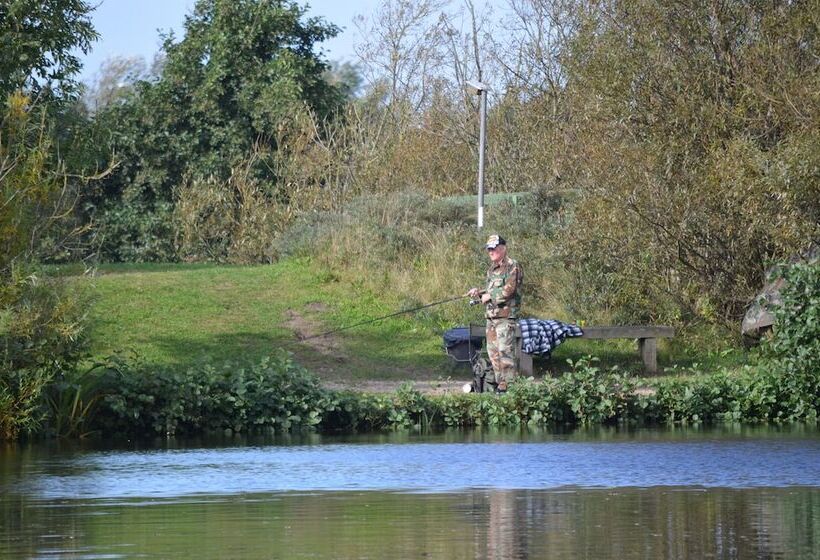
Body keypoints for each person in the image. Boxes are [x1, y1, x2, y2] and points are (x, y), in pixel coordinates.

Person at [467, 234, 523, 392]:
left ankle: (510, 388)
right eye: (489, 249)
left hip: (505, 318)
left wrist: (489, 296)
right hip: (491, 318)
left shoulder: (513, 266)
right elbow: (492, 290)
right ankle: (500, 386)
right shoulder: (491, 270)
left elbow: (509, 290)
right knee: (494, 355)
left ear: (503, 248)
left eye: (494, 248)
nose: (491, 251)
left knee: (506, 353)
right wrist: (478, 292)